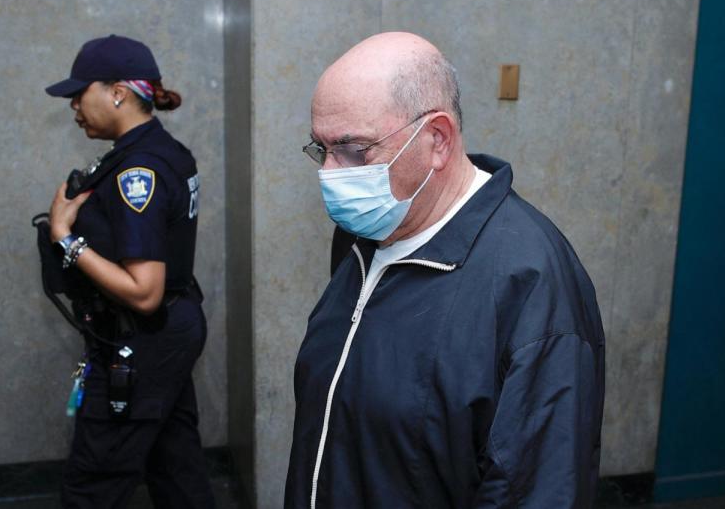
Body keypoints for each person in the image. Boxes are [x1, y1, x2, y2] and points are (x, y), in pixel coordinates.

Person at [285, 32, 606, 508]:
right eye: (322, 149)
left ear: (437, 139)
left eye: (354, 151)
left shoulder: (531, 283)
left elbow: (537, 490)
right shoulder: (367, 229)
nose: (331, 174)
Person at [43, 34, 214, 508]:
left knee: (93, 483)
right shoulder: (163, 150)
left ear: (117, 91)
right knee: (175, 468)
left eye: (80, 92)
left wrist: (66, 238)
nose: (74, 105)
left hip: (142, 337)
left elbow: (144, 291)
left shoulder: (137, 170)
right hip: (167, 333)